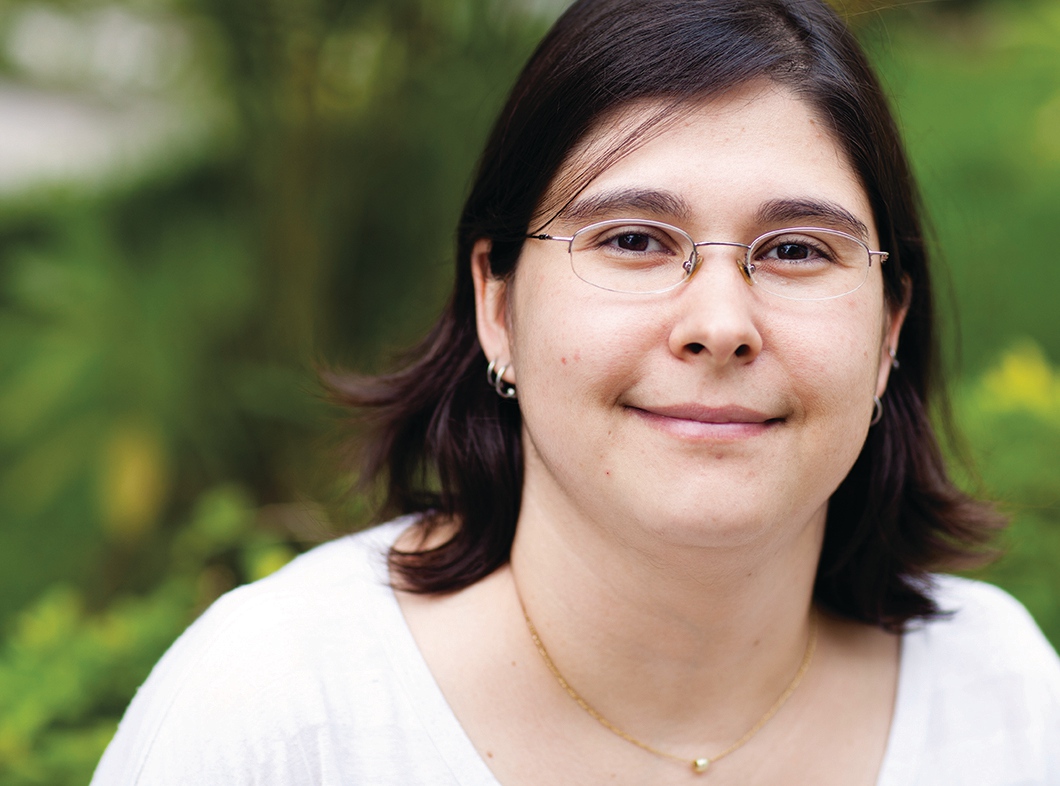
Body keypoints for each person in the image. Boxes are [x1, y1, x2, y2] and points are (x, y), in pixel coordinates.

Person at [92, 0, 1060, 783]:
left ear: (889, 329)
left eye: (797, 250)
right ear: (496, 304)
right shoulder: (279, 716)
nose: (720, 322)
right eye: (633, 240)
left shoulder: (1001, 705)